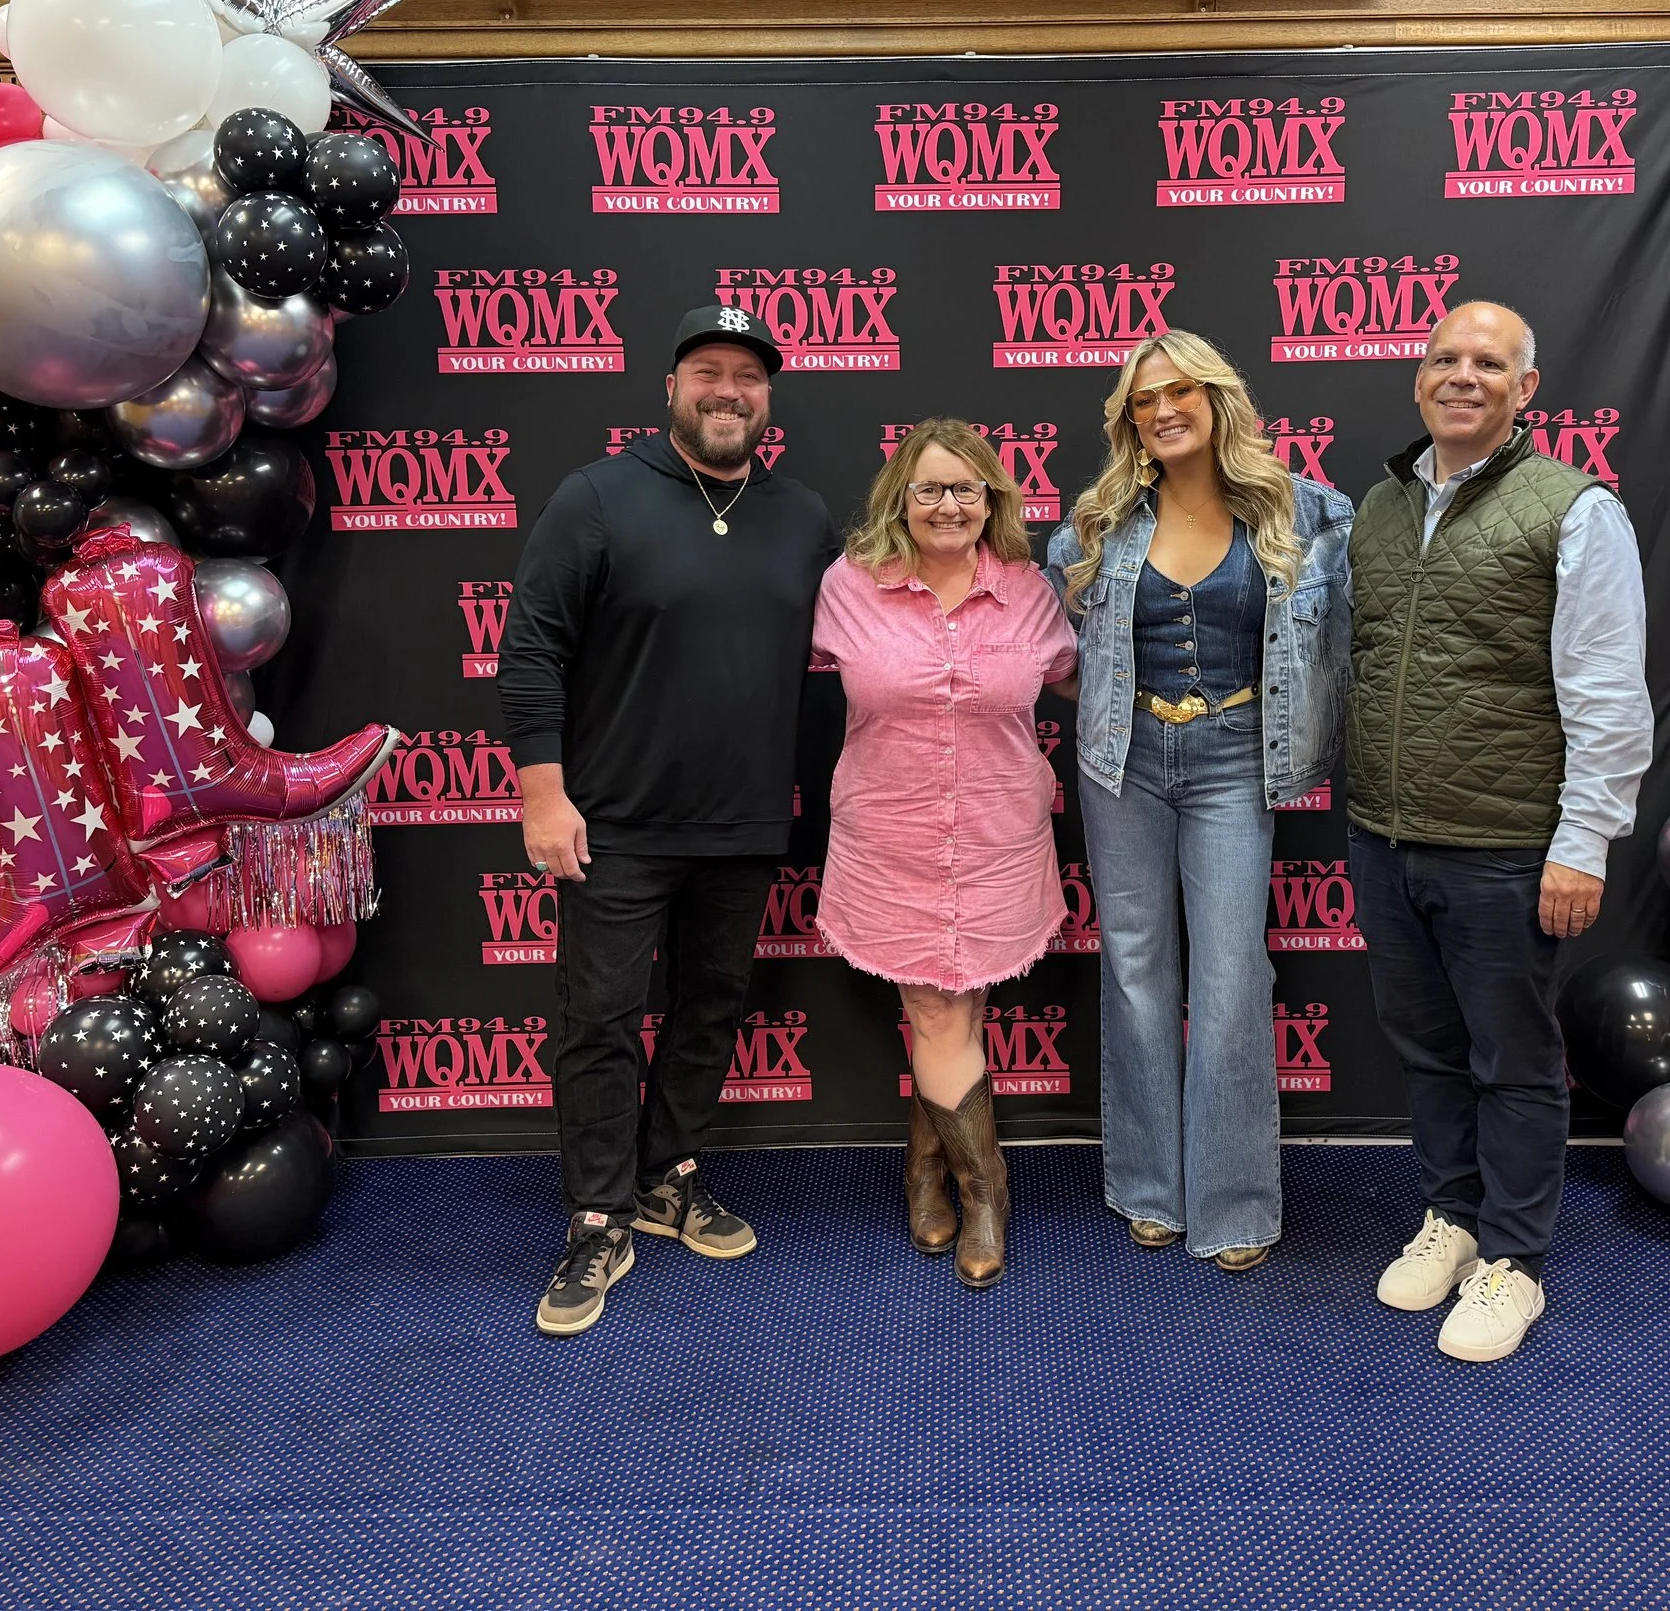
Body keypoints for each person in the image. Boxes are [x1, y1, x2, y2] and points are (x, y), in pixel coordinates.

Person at [498, 302, 839, 1338]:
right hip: (615, 824)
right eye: (707, 371)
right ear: (670, 388)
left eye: (747, 374)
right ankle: (597, 1211)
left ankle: (667, 1178)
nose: (727, 389)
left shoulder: (803, 517)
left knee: (710, 1006)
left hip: (743, 824)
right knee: (599, 1022)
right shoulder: (598, 497)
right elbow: (531, 652)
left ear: (768, 396)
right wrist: (542, 792)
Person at [1347, 299, 1652, 1364]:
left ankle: (1512, 1261)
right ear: (1418, 381)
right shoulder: (1376, 508)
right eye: (1444, 358)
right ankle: (1454, 1214)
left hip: (1508, 842)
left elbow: (1609, 692)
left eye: (1489, 362)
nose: (1461, 375)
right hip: (1385, 834)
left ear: (1527, 391)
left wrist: (1583, 841)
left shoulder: (1574, 511)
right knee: (1427, 1050)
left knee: (1512, 1060)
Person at [1047, 331, 1354, 1271]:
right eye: (1145, 400)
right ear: (1129, 420)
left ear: (1220, 399)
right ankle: (1149, 1187)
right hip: (1123, 757)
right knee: (1137, 970)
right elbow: (1063, 656)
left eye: (1182, 390)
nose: (1165, 409)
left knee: (1228, 979)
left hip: (1233, 753)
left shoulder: (1308, 513)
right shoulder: (1094, 525)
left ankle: (1233, 1200)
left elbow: (1338, 651)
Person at [811, 421, 1077, 1288]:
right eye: (928, 488)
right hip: (892, 839)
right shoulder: (848, 587)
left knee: (961, 1014)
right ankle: (985, 1189)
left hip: (1000, 838)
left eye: (967, 488)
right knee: (938, 1015)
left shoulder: (1033, 593)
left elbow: (1077, 674)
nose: (948, 504)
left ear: (994, 499)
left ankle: (924, 1166)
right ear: (900, 498)